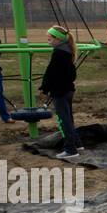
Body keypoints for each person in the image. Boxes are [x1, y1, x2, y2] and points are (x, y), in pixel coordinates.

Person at [40, 25, 81, 159]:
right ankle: (77, 143)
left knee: (63, 120)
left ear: (58, 39)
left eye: (50, 39)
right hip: (68, 89)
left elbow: (51, 73)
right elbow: (72, 74)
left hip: (60, 91)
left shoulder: (58, 53)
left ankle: (70, 149)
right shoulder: (68, 51)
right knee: (69, 118)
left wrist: (45, 88)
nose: (48, 42)